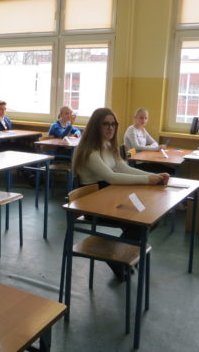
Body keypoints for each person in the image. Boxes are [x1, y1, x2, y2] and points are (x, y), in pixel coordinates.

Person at [72, 107, 170, 280]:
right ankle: (118, 259)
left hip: (108, 197)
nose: (110, 128)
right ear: (96, 126)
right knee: (139, 223)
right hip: (93, 205)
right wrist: (148, 180)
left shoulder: (108, 145)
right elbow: (111, 177)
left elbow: (123, 168)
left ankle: (121, 256)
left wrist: (153, 176)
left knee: (150, 219)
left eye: (113, 124)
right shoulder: (90, 151)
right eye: (105, 124)